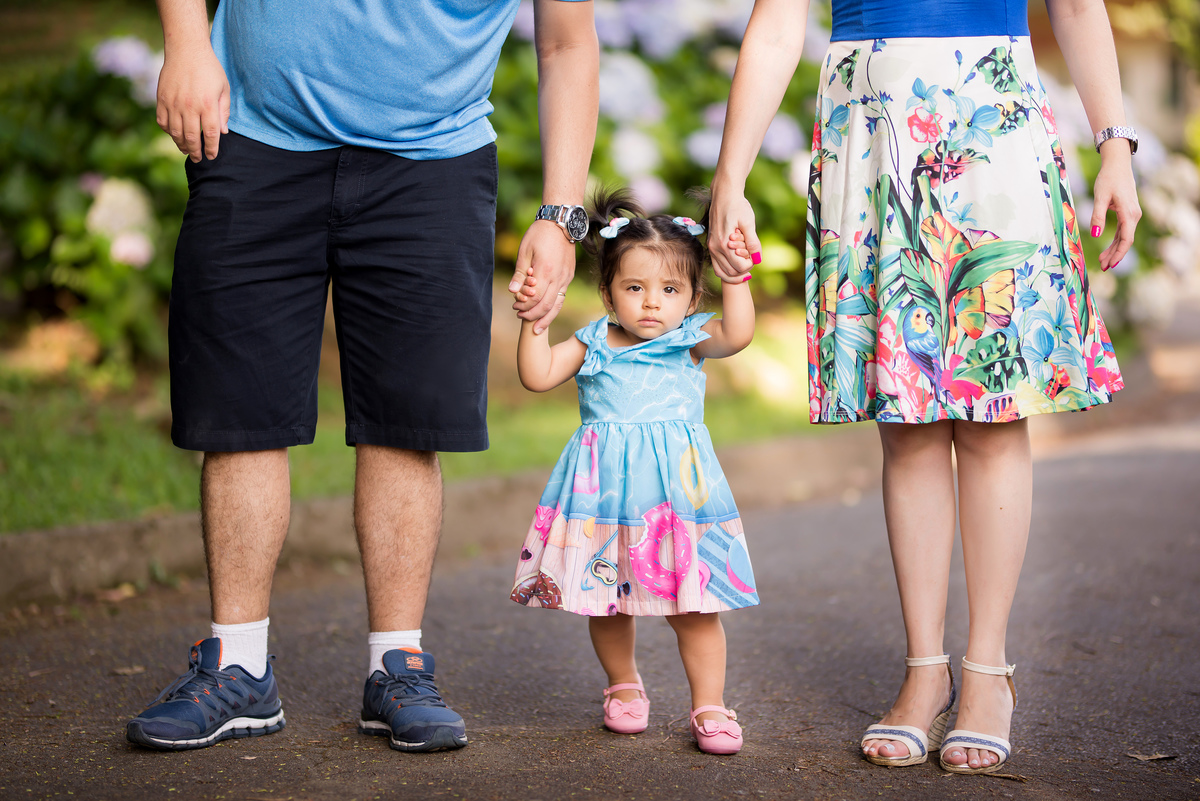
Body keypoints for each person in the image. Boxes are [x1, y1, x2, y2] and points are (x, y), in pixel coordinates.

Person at [125, 0, 599, 753]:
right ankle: (238, 664)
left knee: (409, 421)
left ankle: (397, 666)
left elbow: (568, 43)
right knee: (239, 409)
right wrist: (185, 40)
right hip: (250, 135)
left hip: (433, 163)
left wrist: (561, 212)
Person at [709, 0, 1139, 774]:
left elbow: (1075, 5)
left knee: (993, 409)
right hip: (869, 126)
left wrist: (1116, 147)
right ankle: (924, 669)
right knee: (904, 417)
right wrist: (729, 175)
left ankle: (986, 670)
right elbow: (776, 22)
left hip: (993, 115)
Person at [509, 188, 757, 755]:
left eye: (669, 290)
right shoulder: (593, 342)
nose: (651, 303)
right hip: (604, 500)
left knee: (695, 607)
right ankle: (623, 686)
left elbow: (738, 334)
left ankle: (710, 704)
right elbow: (538, 374)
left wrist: (737, 275)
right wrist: (536, 318)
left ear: (693, 297)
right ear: (608, 293)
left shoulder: (689, 342)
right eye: (635, 288)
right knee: (607, 600)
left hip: (677, 501)